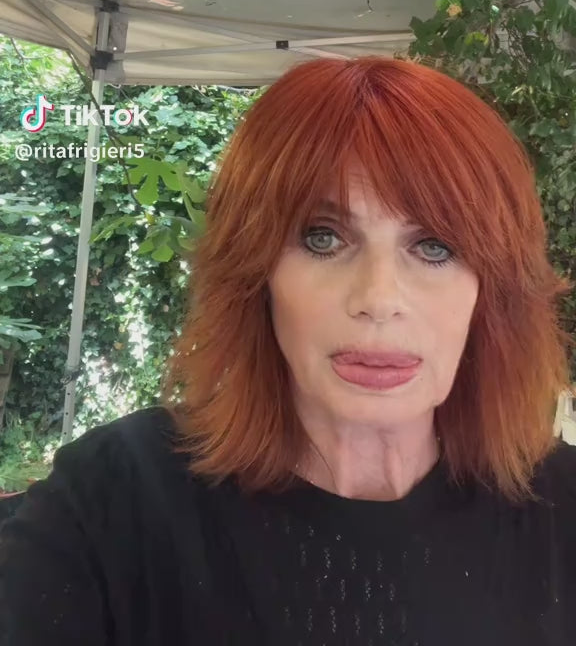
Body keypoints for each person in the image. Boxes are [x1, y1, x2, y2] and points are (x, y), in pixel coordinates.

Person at [0, 55, 575, 646]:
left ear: (492, 292)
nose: (378, 300)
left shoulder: (564, 513)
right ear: (256, 273)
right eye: (323, 238)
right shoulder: (111, 504)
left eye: (434, 247)